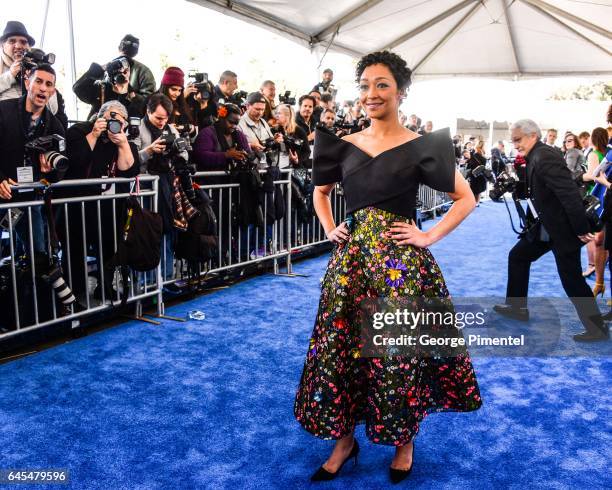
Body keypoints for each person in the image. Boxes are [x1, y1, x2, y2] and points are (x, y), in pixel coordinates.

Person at [294, 50, 482, 483]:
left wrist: (427, 235)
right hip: (351, 266)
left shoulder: (422, 146)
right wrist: (329, 228)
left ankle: (404, 441)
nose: (371, 94)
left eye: (381, 85)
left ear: (400, 92)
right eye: (364, 86)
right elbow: (321, 193)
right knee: (342, 354)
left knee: (396, 355)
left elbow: (465, 198)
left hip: (400, 268)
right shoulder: (343, 145)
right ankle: (344, 440)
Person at [493, 119, 607, 342]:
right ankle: (517, 307)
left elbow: (569, 194)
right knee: (518, 256)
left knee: (571, 279)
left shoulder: (544, 156)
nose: (515, 144)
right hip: (546, 226)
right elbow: (540, 190)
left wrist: (581, 228)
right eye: (513, 140)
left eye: (518, 139)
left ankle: (598, 329)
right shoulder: (536, 154)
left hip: (562, 229)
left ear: (532, 135)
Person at [60, 100, 139, 300]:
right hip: (77, 202)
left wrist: (121, 142)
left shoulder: (123, 140)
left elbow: (129, 170)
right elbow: (75, 161)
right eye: (110, 117)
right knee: (75, 248)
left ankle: (104, 286)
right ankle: (74, 294)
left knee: (109, 246)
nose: (113, 123)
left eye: (119, 120)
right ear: (99, 116)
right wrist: (95, 134)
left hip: (109, 205)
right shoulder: (79, 131)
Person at [0, 64, 65, 254]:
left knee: (38, 255)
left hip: (28, 201)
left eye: (48, 84)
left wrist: (50, 173)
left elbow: (61, 168)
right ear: (28, 83)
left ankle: (28, 284)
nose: (43, 88)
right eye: (38, 81)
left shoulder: (55, 127)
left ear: (53, 92)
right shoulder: (3, 110)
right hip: (2, 193)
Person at [134, 94, 190, 281]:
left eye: (166, 118)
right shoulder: (138, 129)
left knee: (167, 229)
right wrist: (149, 150)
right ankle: (146, 281)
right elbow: (129, 160)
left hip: (167, 187)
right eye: (158, 118)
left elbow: (185, 154)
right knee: (148, 234)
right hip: (144, 189)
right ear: (148, 112)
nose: (162, 122)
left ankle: (165, 278)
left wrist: (178, 153)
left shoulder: (171, 128)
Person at [0, 21, 68, 127]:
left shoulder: (38, 66)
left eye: (23, 42)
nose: (18, 46)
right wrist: (11, 75)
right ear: (2, 45)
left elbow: (54, 110)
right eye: (12, 41)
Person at [73, 56, 145, 119]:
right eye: (117, 71)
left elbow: (138, 120)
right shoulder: (100, 89)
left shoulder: (135, 98)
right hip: (98, 132)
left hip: (123, 134)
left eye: (125, 71)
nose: (122, 73)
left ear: (130, 72)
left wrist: (125, 93)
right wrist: (99, 69)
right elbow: (77, 88)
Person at [583, 127, 610, 295]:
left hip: (597, 196)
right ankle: (599, 281)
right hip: (604, 197)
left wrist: (579, 176)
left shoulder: (594, 154)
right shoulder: (606, 153)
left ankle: (593, 269)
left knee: (595, 238)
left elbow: (593, 176)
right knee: (599, 240)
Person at [192, 103, 250, 171]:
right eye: (231, 122)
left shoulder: (239, 134)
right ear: (222, 118)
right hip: (210, 178)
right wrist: (226, 155)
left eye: (236, 123)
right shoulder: (206, 134)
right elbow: (200, 157)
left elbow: (248, 153)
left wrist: (245, 156)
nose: (234, 126)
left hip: (233, 178)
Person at [238, 92, 282, 168]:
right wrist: (250, 146)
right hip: (249, 169)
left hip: (267, 168)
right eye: (257, 109)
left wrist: (274, 139)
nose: (260, 113)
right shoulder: (239, 123)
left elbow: (268, 143)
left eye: (262, 110)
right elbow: (233, 148)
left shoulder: (263, 122)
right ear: (247, 106)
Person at [157, 67, 197, 140]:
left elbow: (193, 128)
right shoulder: (155, 102)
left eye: (180, 90)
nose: (177, 94)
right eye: (174, 89)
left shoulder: (182, 103)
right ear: (165, 87)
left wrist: (190, 129)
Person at [274, 104, 310, 168]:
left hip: (295, 168)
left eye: (279, 113)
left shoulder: (299, 131)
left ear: (287, 116)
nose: (276, 116)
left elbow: (306, 151)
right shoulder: (274, 130)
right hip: (278, 167)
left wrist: (297, 159)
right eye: (276, 113)